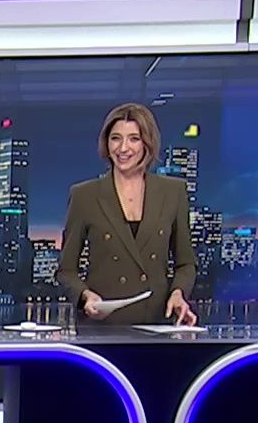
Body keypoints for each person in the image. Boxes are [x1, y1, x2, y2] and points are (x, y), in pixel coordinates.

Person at [56, 102, 199, 327]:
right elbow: (66, 271)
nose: (123, 148)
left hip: (155, 324)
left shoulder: (173, 192)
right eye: (116, 138)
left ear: (147, 143)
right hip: (102, 327)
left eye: (134, 139)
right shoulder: (85, 195)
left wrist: (178, 293)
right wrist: (85, 296)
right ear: (106, 143)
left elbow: (186, 263)